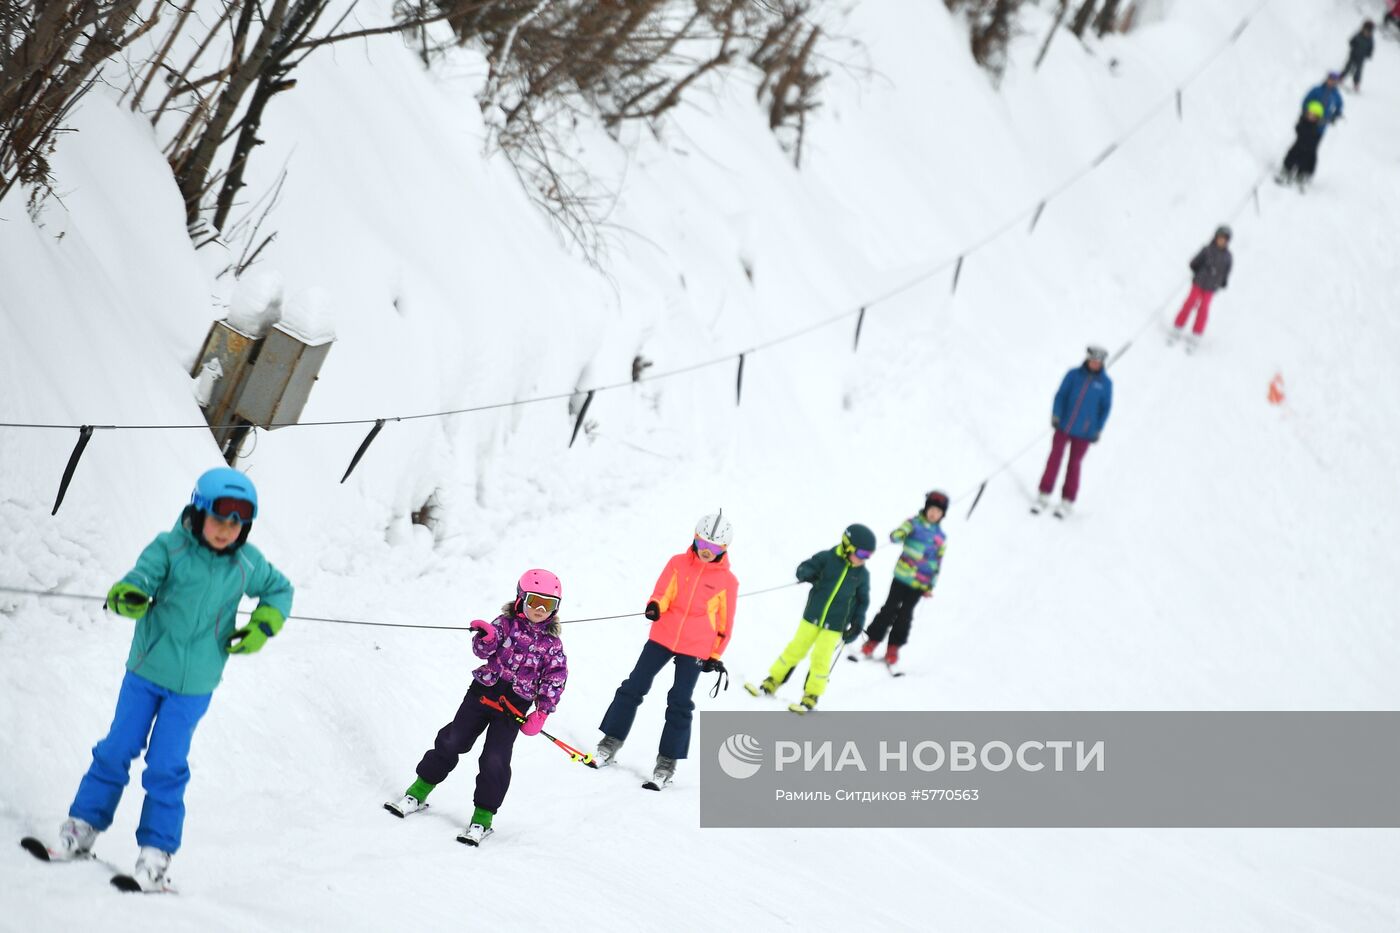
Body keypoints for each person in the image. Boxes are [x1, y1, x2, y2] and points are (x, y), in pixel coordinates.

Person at [43, 468, 292, 891]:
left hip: (194, 686)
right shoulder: (169, 548)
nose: (225, 530)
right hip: (146, 671)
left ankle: (155, 856)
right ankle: (81, 829)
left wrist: (262, 626)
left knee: (166, 765)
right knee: (116, 749)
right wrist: (130, 596)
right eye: (218, 518)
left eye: (236, 523)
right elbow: (140, 579)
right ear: (198, 511)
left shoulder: (248, 564)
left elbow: (280, 591)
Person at [385, 569, 568, 844]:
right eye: (533, 601)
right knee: (453, 739)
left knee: (495, 759)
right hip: (483, 693)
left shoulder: (552, 645)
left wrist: (541, 712)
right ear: (520, 599)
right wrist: (486, 637)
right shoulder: (505, 624)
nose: (539, 610)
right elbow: (483, 651)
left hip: (513, 708)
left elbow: (555, 678)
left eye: (547, 604)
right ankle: (418, 791)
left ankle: (482, 819)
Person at [594, 513, 738, 789]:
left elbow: (724, 622)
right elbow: (663, 592)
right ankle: (610, 742)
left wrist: (715, 654)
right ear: (694, 539)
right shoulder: (677, 563)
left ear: (725, 550)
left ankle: (666, 763)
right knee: (633, 686)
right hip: (663, 635)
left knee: (680, 701)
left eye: (716, 548)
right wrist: (655, 605)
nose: (707, 551)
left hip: (696, 646)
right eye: (702, 543)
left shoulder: (728, 582)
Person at [747, 524, 874, 714]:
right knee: (795, 650)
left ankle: (811, 696)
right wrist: (806, 573)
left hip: (835, 625)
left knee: (821, 659)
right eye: (862, 554)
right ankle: (772, 681)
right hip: (812, 617)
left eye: (868, 556)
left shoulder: (862, 574)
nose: (864, 559)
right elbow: (806, 566)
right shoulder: (828, 558)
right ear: (848, 545)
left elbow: (862, 601)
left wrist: (857, 624)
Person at [858, 492, 948, 669]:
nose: (934, 514)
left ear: (942, 515)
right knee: (889, 608)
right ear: (926, 508)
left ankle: (893, 647)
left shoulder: (940, 538)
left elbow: (937, 562)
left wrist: (930, 585)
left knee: (905, 614)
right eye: (932, 509)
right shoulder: (914, 523)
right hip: (902, 577)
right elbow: (898, 534)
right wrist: (898, 534)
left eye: (938, 512)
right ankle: (872, 640)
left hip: (919, 584)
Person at [1034, 347, 1113, 519]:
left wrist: (1098, 428)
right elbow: (1061, 395)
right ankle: (1043, 494)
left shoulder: (1105, 384)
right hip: (1064, 426)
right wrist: (1056, 414)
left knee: (1074, 464)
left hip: (1084, 432)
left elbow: (1105, 409)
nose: (1094, 364)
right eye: (1092, 360)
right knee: (1054, 459)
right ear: (1087, 359)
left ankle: (1067, 501)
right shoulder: (1073, 375)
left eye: (1098, 362)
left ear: (1102, 363)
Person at [1171, 225, 1233, 347]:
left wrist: (1223, 281)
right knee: (1190, 302)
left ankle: (1196, 334)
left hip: (1211, 287)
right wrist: (1195, 267)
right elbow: (1194, 261)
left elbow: (1226, 271)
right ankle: (1178, 327)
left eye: (1224, 239)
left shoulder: (1227, 257)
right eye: (1220, 238)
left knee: (1203, 309)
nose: (1221, 241)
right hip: (1199, 282)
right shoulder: (1207, 249)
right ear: (1215, 237)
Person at [1278, 101, 1325, 191]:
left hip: (1308, 149)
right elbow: (1298, 129)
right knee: (1291, 156)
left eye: (1313, 116)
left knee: (1307, 161)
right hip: (1298, 145)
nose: (1310, 117)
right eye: (1309, 114)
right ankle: (1286, 170)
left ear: (1317, 118)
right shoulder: (1302, 122)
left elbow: (1315, 139)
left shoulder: (1316, 129)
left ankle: (1302, 175)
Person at [1339, 21, 1375, 91]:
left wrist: (1369, 54)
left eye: (1368, 32)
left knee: (1358, 71)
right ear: (1363, 29)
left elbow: (1371, 48)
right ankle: (1341, 78)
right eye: (1365, 31)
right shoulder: (1358, 35)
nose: (1366, 33)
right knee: (1348, 67)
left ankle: (1356, 83)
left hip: (1361, 57)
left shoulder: (1370, 39)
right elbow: (1351, 41)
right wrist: (1353, 45)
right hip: (1353, 54)